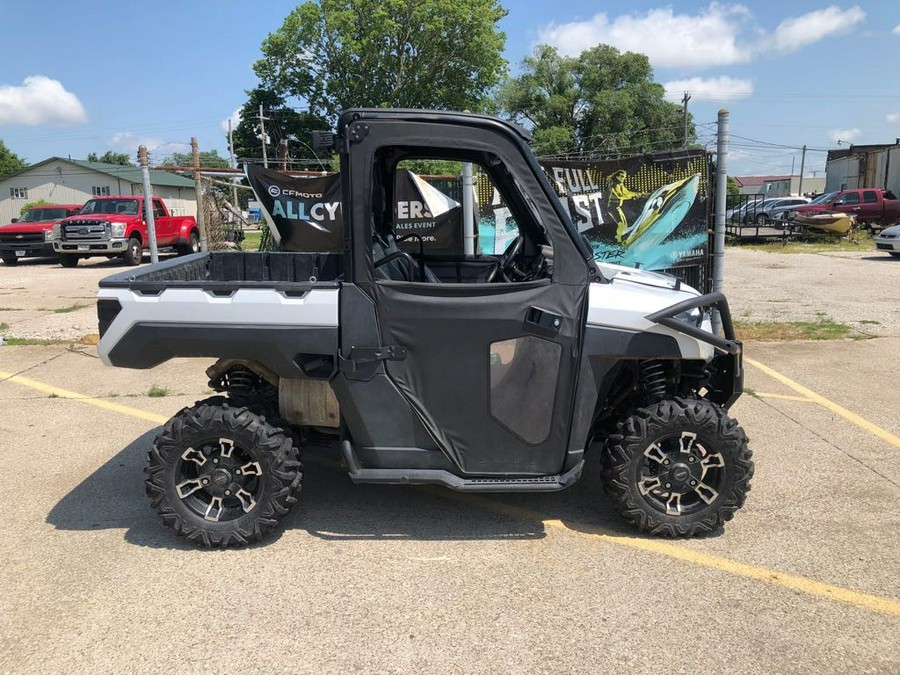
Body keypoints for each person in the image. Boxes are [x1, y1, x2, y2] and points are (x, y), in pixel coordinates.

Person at [607, 169, 645, 242]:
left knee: (624, 224)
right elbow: (620, 195)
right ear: (617, 176)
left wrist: (638, 194)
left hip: (617, 207)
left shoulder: (620, 184)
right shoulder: (614, 184)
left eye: (624, 177)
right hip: (612, 207)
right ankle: (619, 240)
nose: (623, 178)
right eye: (621, 176)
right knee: (621, 224)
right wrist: (632, 196)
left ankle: (622, 238)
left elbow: (627, 192)